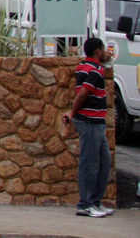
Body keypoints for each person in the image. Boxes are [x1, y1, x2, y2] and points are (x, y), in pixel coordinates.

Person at [63, 37, 112, 218]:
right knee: (89, 163)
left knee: (104, 161)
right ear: (98, 51)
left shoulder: (84, 66)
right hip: (90, 122)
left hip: (96, 122)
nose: (108, 52)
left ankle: (96, 202)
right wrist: (73, 113)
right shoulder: (95, 70)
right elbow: (83, 94)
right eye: (105, 49)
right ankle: (85, 204)